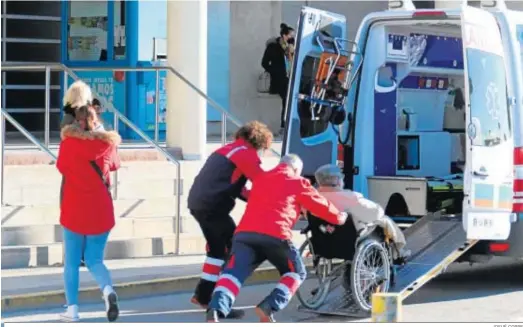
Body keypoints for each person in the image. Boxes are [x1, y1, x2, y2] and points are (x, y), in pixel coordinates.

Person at [206, 154, 348, 322]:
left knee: (232, 274)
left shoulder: (261, 179)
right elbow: (321, 206)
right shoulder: (298, 182)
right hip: (276, 234)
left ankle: (215, 309)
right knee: (296, 272)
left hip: (245, 235)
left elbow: (257, 197)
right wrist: (340, 217)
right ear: (296, 170)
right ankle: (269, 306)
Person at [187, 121, 273, 319]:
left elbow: (237, 187)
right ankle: (215, 300)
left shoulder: (228, 149)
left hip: (200, 203)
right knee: (234, 251)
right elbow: (262, 181)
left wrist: (254, 197)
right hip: (213, 206)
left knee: (218, 250)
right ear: (260, 143)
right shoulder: (246, 153)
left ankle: (204, 296)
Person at [57, 105, 121, 322]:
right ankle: (107, 291)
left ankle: (72, 310)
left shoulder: (68, 144)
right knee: (94, 259)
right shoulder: (107, 143)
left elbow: (62, 167)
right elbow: (115, 165)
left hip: (74, 209)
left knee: (72, 262)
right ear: (96, 120)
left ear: (77, 121)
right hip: (100, 211)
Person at [314, 164, 410, 261]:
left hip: (323, 244)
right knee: (384, 219)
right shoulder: (349, 198)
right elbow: (376, 213)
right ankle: (398, 250)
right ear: (337, 180)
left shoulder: (314, 199)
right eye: (341, 177)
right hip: (348, 243)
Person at [261, 23, 296, 133]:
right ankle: (284, 125)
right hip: (280, 79)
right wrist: (275, 71)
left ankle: (287, 124)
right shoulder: (273, 46)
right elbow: (264, 63)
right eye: (290, 35)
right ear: (284, 35)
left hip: (290, 77)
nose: (292, 37)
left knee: (289, 100)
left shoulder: (291, 48)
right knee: (287, 99)